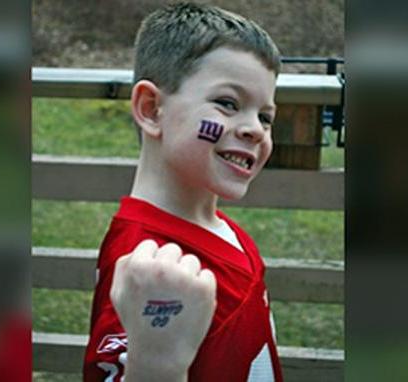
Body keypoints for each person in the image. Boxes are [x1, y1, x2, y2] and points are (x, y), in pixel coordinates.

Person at [83, 2, 282, 381]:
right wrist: (155, 367)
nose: (255, 129)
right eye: (228, 103)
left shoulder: (224, 229)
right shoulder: (146, 264)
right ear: (152, 109)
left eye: (265, 116)